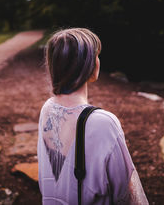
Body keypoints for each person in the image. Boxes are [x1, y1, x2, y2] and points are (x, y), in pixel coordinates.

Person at [37, 28, 149, 204]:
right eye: (96, 55)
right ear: (88, 65)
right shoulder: (103, 123)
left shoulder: (48, 108)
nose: (98, 60)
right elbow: (127, 194)